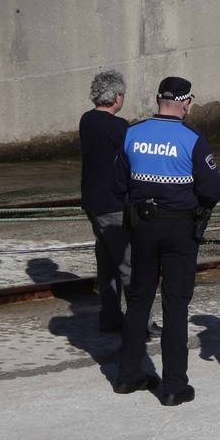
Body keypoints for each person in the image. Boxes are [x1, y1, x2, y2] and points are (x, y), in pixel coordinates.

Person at [113, 76, 220, 406]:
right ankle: (174, 385)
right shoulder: (192, 139)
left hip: (141, 226)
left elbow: (118, 183)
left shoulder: (131, 134)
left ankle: (128, 375)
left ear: (159, 99)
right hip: (178, 228)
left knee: (138, 300)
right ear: (185, 102)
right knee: (175, 306)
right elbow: (212, 189)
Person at [80, 70, 132, 332]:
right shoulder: (118, 127)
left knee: (107, 261)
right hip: (113, 204)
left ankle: (110, 317)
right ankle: (139, 321)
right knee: (128, 263)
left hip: (92, 201)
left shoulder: (86, 121)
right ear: (117, 96)